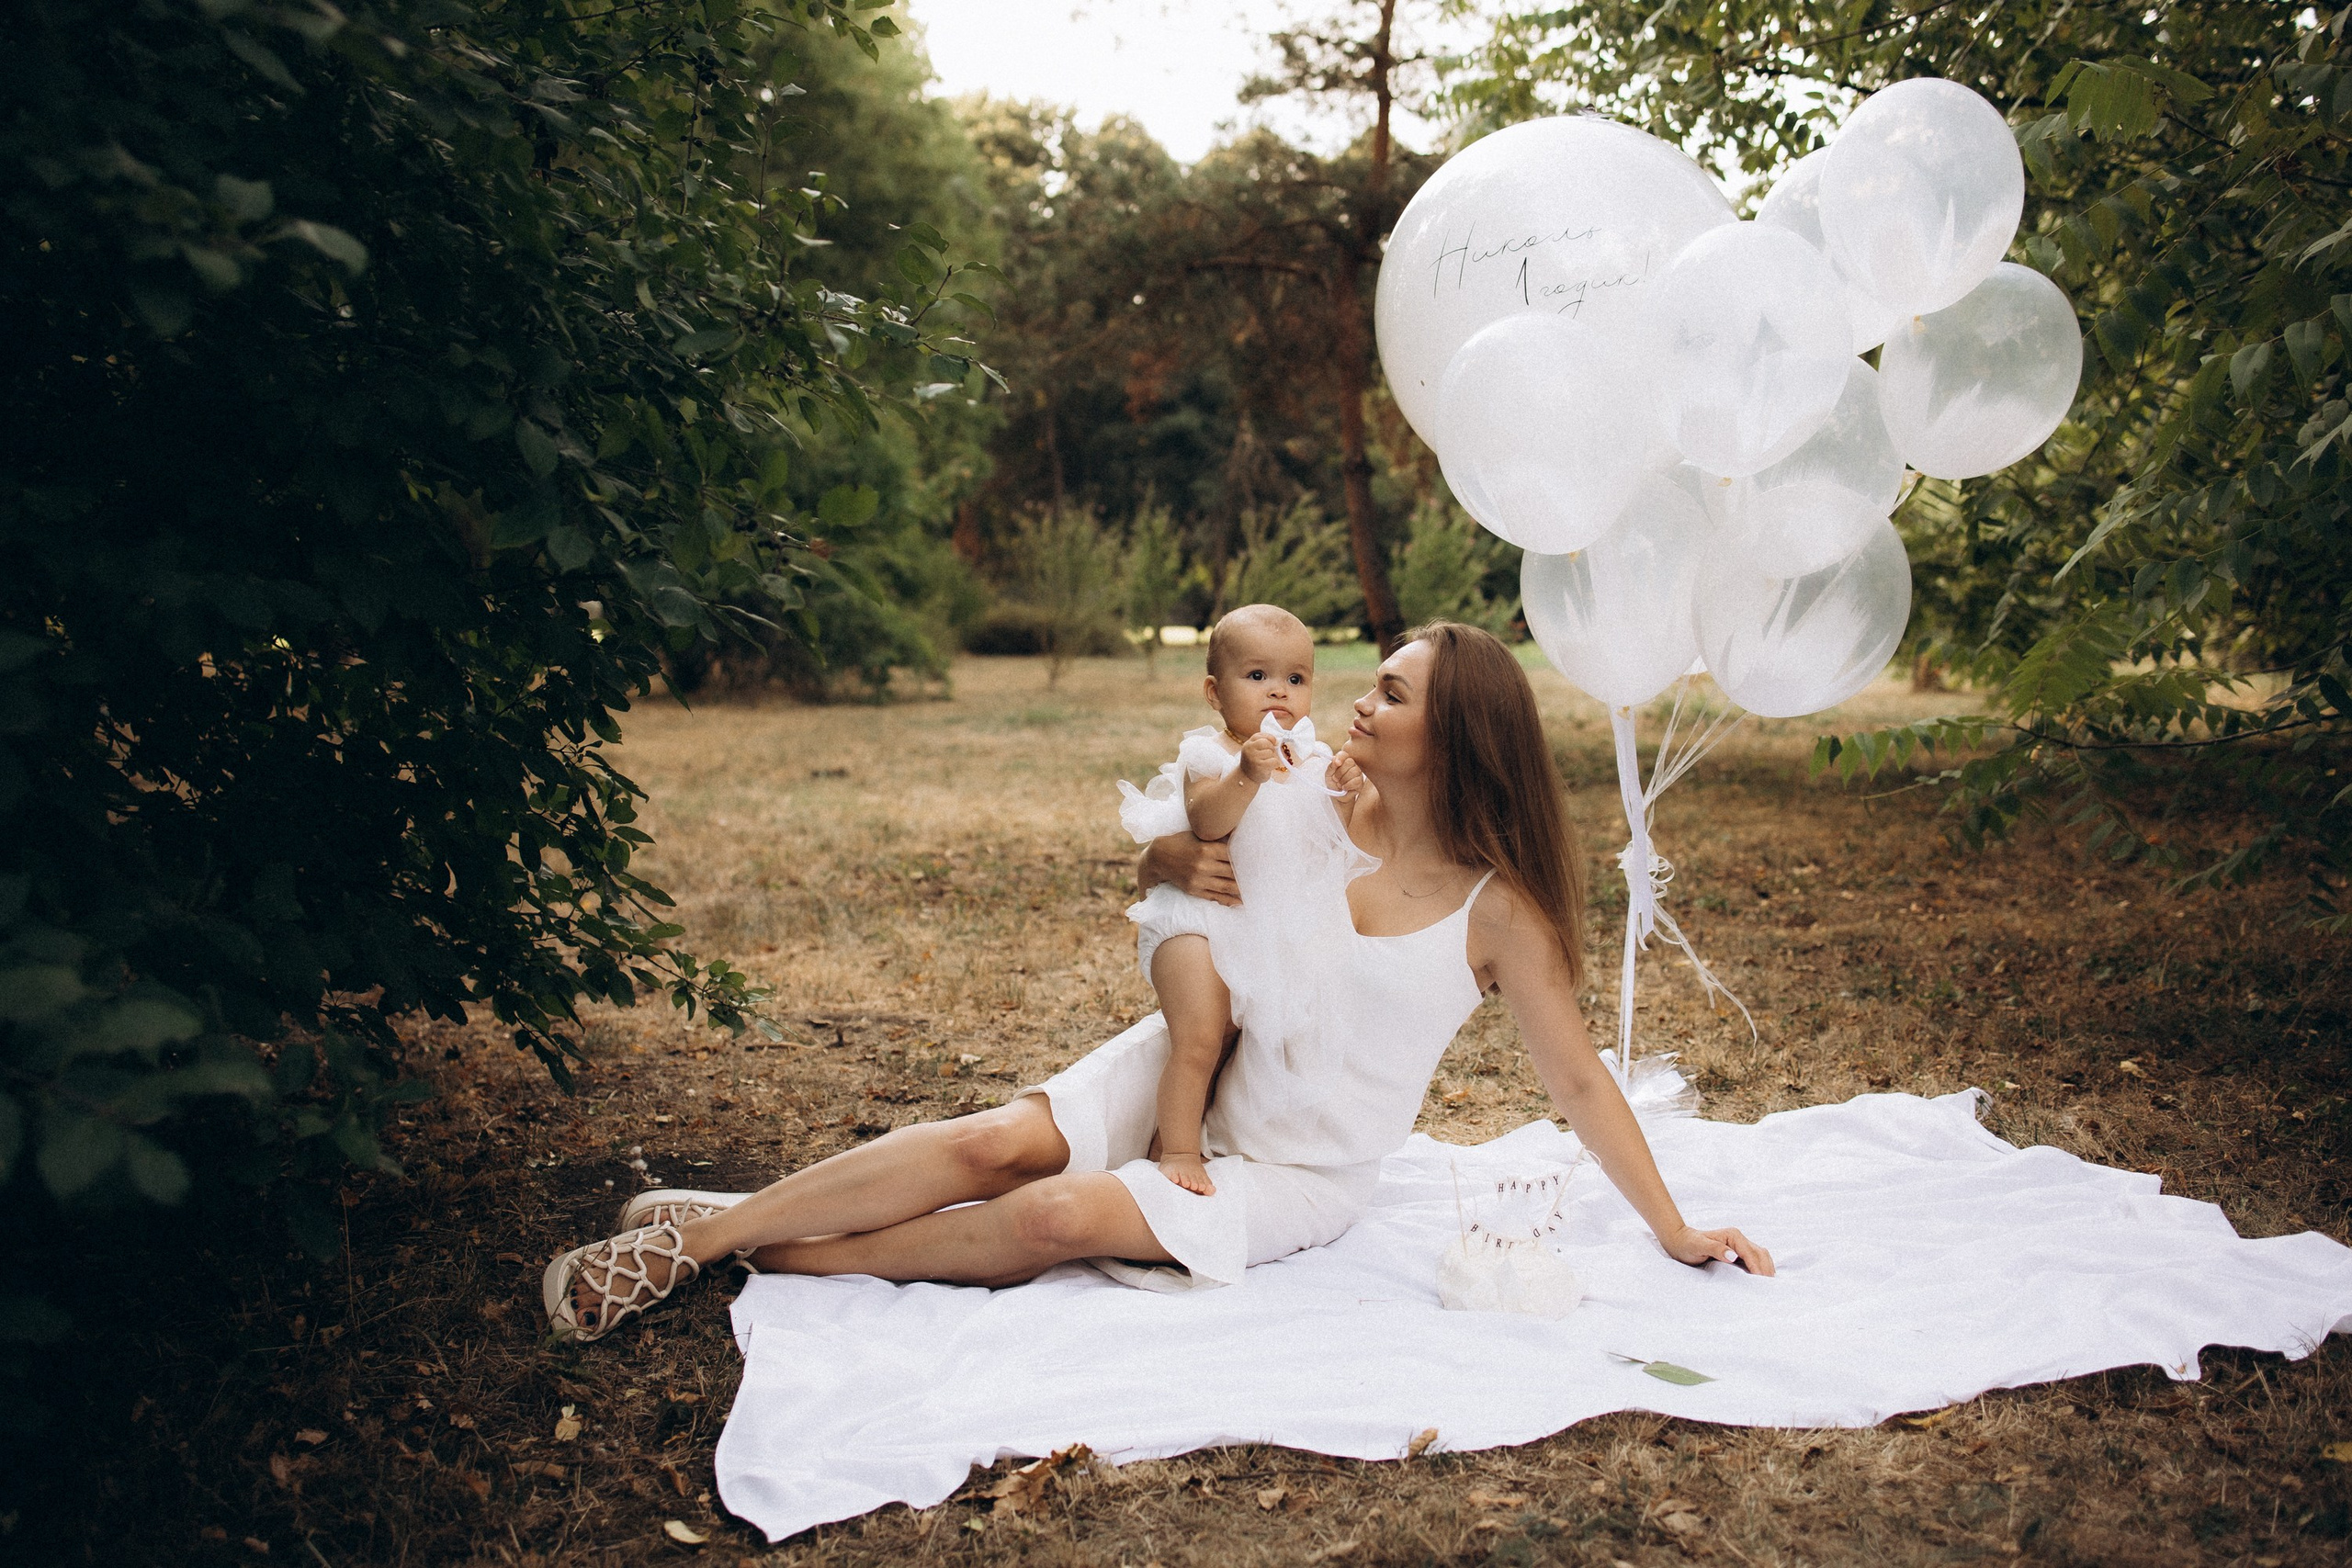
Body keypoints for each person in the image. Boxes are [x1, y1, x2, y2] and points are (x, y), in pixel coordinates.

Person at [542, 623, 1773, 1343]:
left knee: (1055, 1217)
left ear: (1451, 736)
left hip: (1301, 1168)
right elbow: (1180, 861)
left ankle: (770, 1249)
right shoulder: (1306, 790)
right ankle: (703, 1236)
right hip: (1200, 1055)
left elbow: (1579, 1081)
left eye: (1391, 691)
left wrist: (1677, 1226)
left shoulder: (1498, 910)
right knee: (996, 1143)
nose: (1357, 695)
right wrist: (1165, 851)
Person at [1114, 603, 1368, 1199]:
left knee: (1239, 1041)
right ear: (1214, 690)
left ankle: (1191, 1131)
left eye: (1295, 678)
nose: (1278, 690)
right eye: (1257, 676)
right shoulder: (1212, 753)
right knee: (1201, 1033)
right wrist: (1246, 775)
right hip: (1194, 919)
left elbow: (1325, 842)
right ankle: (1175, 1148)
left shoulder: (1309, 758)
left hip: (1261, 926)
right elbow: (1206, 822)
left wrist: (1343, 797)